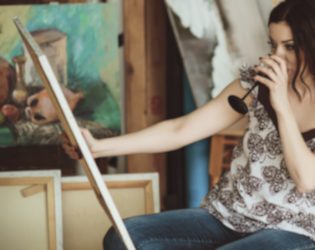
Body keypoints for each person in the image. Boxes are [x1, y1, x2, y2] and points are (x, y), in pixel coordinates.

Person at [62, 0, 315, 249]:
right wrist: (98, 147)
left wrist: (281, 104)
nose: (277, 57)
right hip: (231, 214)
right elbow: (181, 130)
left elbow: (305, 178)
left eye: (290, 47)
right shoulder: (255, 83)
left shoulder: (277, 91)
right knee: (124, 237)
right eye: (274, 45)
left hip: (296, 229)